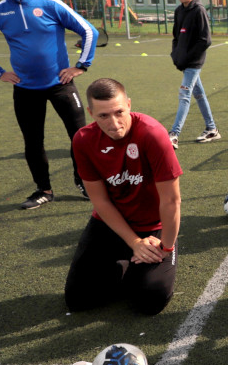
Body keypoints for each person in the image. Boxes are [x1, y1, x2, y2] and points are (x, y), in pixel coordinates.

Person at [0, 0, 98, 209]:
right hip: (26, 89)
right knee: (33, 142)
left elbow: (89, 31)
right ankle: (44, 190)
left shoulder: (50, 4)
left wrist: (81, 66)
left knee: (80, 137)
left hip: (61, 84)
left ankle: (84, 183)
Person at [64, 78, 182, 316]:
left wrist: (165, 247)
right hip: (111, 223)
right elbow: (100, 201)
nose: (114, 123)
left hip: (153, 227)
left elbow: (171, 201)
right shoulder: (83, 140)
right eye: (103, 116)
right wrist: (134, 243)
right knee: (78, 300)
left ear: (128, 104)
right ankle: (126, 265)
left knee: (150, 300)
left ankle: (138, 271)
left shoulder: (153, 134)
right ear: (91, 113)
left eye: (119, 112)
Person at [168, 0, 220, 148]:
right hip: (184, 62)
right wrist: (176, 55)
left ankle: (174, 134)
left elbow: (205, 40)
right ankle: (212, 129)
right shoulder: (178, 11)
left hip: (194, 62)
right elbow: (177, 36)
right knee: (199, 94)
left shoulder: (199, 10)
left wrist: (188, 57)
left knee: (184, 95)